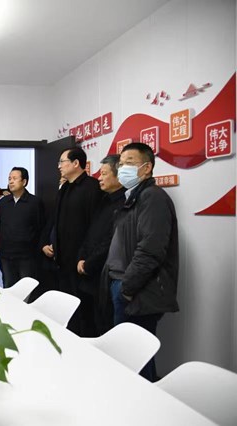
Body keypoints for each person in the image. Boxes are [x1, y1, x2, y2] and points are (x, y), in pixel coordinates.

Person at [105, 142, 179, 381]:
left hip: (137, 291)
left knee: (136, 358)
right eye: (121, 164)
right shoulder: (133, 197)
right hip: (124, 285)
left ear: (146, 168)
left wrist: (127, 288)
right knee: (129, 356)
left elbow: (151, 249)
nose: (122, 168)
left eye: (129, 163)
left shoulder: (152, 197)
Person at [44, 147, 102, 335]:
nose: (59, 166)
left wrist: (86, 257)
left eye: (62, 162)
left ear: (76, 163)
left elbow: (95, 227)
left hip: (81, 264)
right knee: (67, 312)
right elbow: (56, 221)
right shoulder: (65, 188)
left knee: (84, 314)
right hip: (62, 262)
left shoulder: (92, 188)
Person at [76, 155, 125, 336]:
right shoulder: (104, 199)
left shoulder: (124, 203)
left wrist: (89, 263)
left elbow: (111, 241)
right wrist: (81, 257)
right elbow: (90, 232)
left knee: (104, 328)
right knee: (87, 324)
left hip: (103, 275)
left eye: (104, 174)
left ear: (118, 176)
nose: (100, 178)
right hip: (87, 274)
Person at [0, 167, 45, 288]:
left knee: (26, 289)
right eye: (9, 179)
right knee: (8, 287)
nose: (11, 181)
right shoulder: (3, 202)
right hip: (6, 255)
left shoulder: (34, 202)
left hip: (27, 256)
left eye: (14, 178)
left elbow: (40, 227)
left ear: (24, 182)